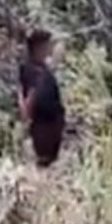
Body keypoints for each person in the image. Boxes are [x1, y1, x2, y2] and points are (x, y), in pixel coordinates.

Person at [17, 28, 65, 168]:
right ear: (38, 47)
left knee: (49, 161)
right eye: (47, 45)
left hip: (51, 124)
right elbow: (29, 97)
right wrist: (26, 120)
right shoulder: (32, 71)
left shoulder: (41, 68)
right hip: (42, 127)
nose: (50, 48)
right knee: (44, 162)